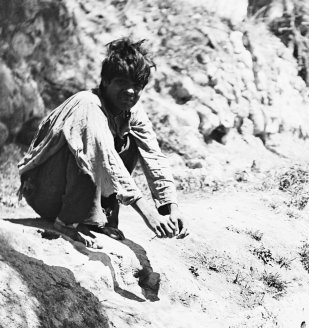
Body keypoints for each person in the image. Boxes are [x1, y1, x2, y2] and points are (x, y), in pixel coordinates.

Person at [17, 38, 188, 248]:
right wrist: (148, 215)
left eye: (136, 85)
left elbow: (154, 157)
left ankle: (101, 220)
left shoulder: (131, 112)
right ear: (106, 81)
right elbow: (106, 157)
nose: (130, 91)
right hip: (45, 190)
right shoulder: (87, 103)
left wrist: (171, 208)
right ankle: (66, 223)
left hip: (78, 188)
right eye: (122, 82)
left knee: (131, 142)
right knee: (91, 148)